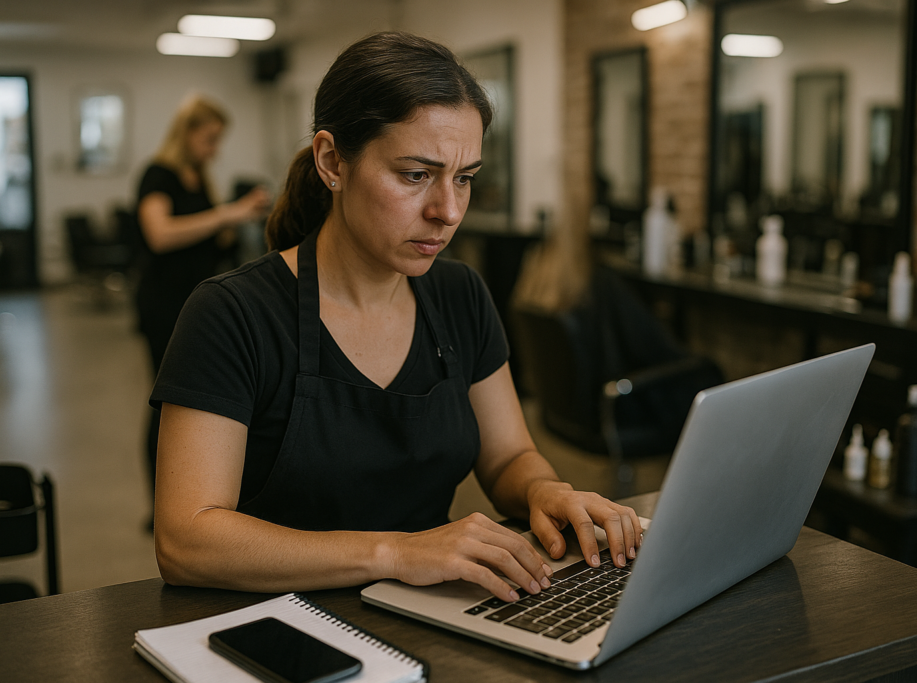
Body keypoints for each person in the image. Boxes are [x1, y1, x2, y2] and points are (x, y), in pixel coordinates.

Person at [151, 32, 642, 602]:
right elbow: (186, 541)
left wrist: (542, 489)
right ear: (333, 161)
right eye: (415, 175)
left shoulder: (460, 295)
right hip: (274, 627)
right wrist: (397, 552)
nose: (448, 211)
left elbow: (508, 455)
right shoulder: (232, 315)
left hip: (428, 615)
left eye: (464, 178)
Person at [135, 95, 270, 516]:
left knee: (200, 403)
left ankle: (195, 492)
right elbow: (161, 234)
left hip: (197, 304)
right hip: (163, 303)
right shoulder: (159, 175)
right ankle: (163, 504)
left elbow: (209, 241)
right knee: (168, 402)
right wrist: (227, 214)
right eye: (210, 139)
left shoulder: (200, 177)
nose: (214, 149)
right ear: (188, 133)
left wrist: (238, 221)